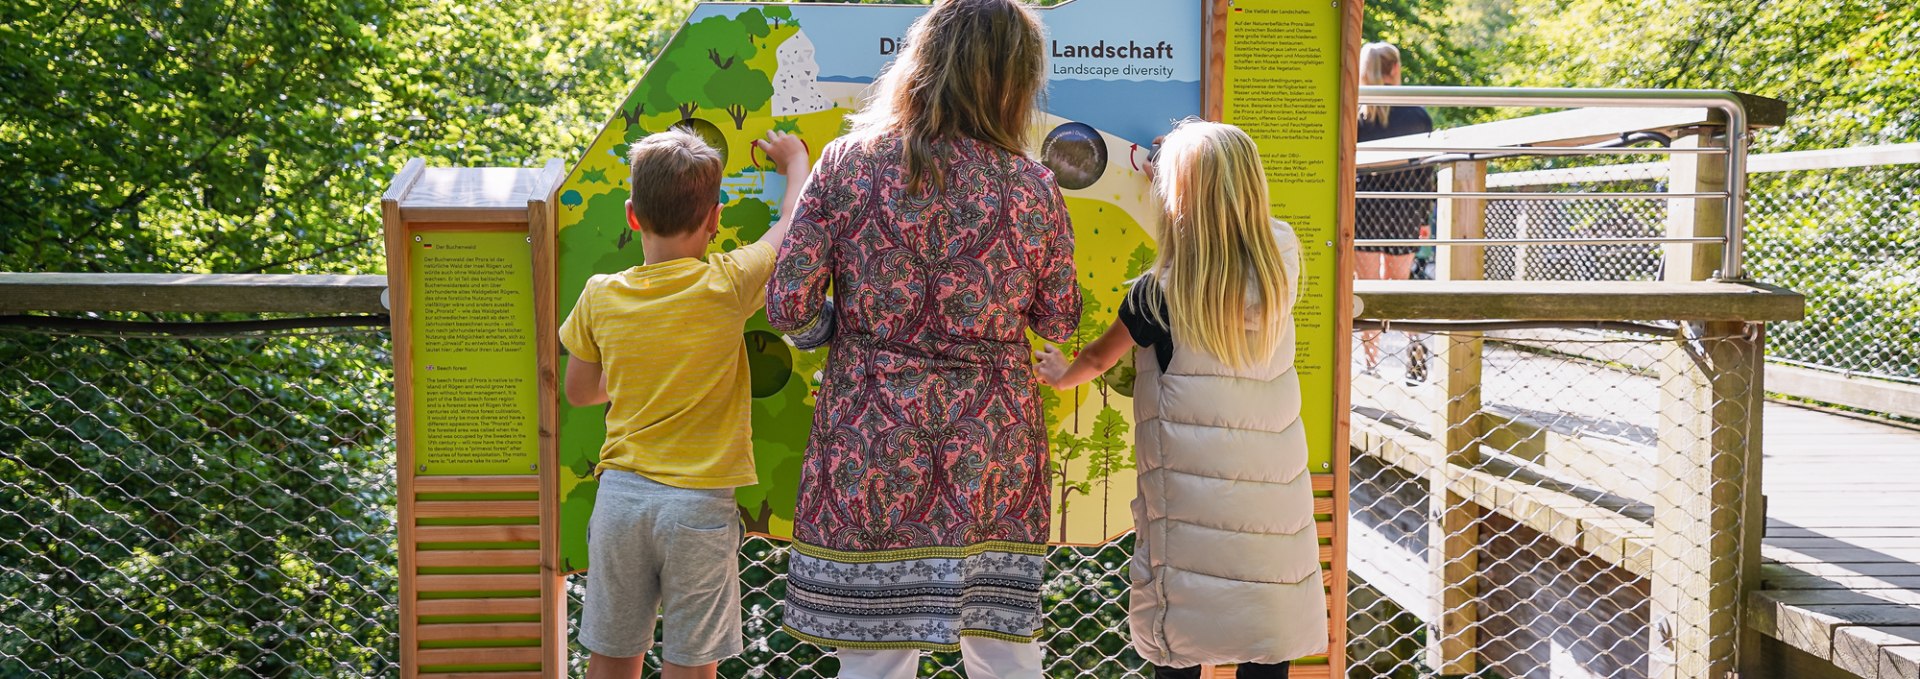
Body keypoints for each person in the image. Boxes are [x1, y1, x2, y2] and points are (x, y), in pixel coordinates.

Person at [763, 1, 1081, 677]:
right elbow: (1058, 319)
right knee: (1004, 655)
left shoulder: (846, 164)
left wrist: (837, 334)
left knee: (875, 659)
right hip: (990, 445)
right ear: (1015, 78)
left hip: (871, 435)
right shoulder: (1035, 188)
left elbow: (788, 303)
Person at [1034, 120, 1329, 679]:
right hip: (1270, 497)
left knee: (1183, 625)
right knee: (1267, 620)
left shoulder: (1157, 294)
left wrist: (1057, 372)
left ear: (1177, 196)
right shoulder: (1279, 263)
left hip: (1191, 500)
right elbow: (1225, 226)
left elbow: (1095, 361)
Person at [559, 128, 811, 679]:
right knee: (692, 667)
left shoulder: (601, 293)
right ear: (715, 217)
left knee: (611, 658)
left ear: (632, 215)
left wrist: (639, 378)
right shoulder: (727, 283)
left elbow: (579, 391)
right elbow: (792, 226)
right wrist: (796, 161)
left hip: (622, 500)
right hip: (698, 506)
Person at [1354, 41, 1435, 376]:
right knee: (1400, 285)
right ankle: (1414, 351)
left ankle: (1370, 365)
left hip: (1365, 212)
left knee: (1368, 287)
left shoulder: (1357, 115)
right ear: (1395, 69)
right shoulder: (1417, 116)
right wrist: (1424, 218)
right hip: (1404, 210)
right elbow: (1425, 173)